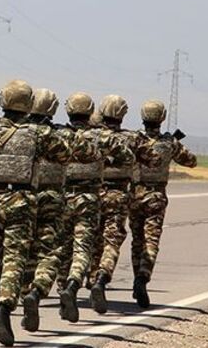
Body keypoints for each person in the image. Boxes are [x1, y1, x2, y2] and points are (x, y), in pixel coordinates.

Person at [0, 79, 71, 347]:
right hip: (22, 199)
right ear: (28, 104)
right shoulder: (37, 133)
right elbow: (64, 155)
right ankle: (4, 309)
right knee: (15, 257)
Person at [56, 92, 134, 323]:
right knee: (106, 240)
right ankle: (100, 278)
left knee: (64, 244)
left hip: (65, 196)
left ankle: (65, 289)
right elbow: (128, 158)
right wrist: (104, 160)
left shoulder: (59, 134)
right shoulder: (110, 138)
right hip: (105, 195)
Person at [21, 88, 79, 332]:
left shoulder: (21, 132)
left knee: (23, 251)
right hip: (53, 197)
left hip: (23, 196)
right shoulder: (57, 135)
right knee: (52, 250)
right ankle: (38, 289)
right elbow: (77, 155)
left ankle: (24, 296)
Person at [129, 100, 197, 308]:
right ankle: (142, 278)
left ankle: (137, 279)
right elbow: (191, 161)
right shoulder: (170, 143)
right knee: (151, 241)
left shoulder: (133, 140)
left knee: (137, 240)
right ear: (162, 118)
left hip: (134, 196)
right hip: (156, 196)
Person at [88, 94, 137, 314]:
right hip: (117, 194)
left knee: (90, 238)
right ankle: (101, 277)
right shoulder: (131, 139)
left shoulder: (89, 136)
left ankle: (83, 278)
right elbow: (151, 159)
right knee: (111, 240)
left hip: (92, 193)